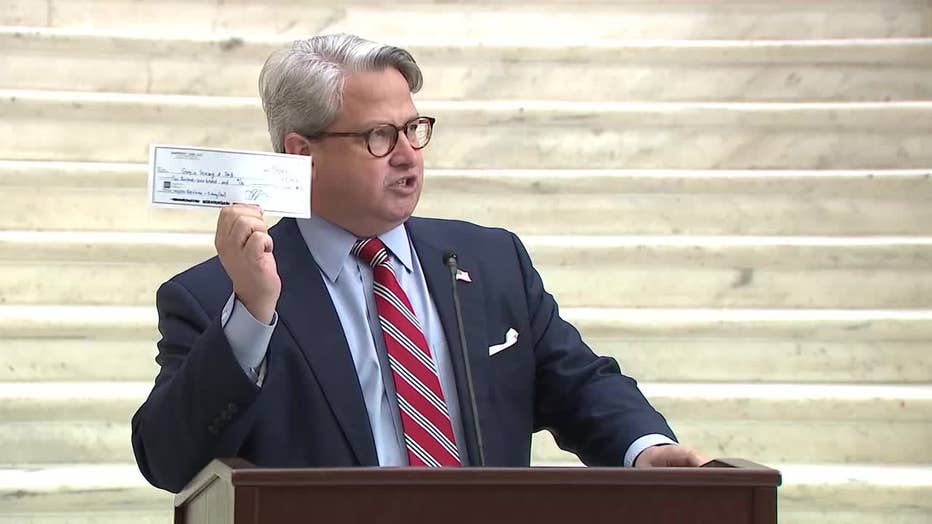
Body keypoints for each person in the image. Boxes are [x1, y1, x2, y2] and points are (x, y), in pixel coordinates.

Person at [131, 33, 706, 493]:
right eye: (379, 136)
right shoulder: (215, 298)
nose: (408, 155)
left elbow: (578, 383)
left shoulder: (491, 259)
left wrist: (643, 448)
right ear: (301, 153)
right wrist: (252, 314)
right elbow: (168, 460)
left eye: (414, 129)